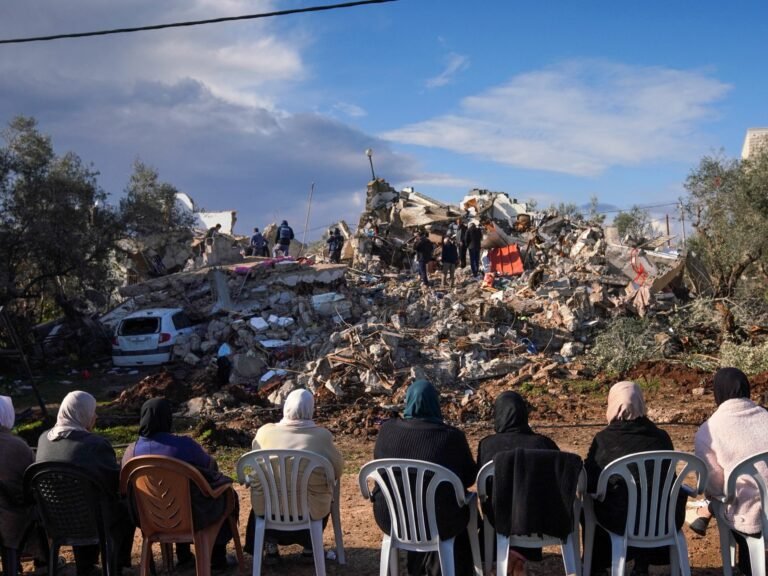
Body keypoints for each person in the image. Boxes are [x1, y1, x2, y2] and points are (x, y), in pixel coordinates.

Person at [372, 380, 478, 576]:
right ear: (435, 404)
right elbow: (469, 478)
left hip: (392, 519)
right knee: (464, 507)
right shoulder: (451, 437)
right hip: (441, 523)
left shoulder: (386, 431)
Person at [122, 398, 238, 571]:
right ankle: (216, 559)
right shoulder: (184, 446)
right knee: (227, 497)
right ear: (167, 418)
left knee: (175, 499)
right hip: (193, 516)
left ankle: (184, 558)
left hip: (149, 518)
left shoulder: (131, 452)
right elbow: (211, 466)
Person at [584, 381, 685, 576]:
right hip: (663, 521)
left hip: (619, 522)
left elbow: (591, 480)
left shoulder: (604, 439)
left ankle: (596, 565)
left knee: (590, 506)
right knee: (647, 502)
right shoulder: (661, 437)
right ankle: (642, 565)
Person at [36, 391, 135, 576]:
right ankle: (118, 566)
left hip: (55, 521)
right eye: (92, 411)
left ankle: (86, 566)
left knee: (77, 498)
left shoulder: (43, 440)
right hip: (93, 522)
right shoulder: (95, 444)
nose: (95, 416)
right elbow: (115, 485)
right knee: (124, 507)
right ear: (82, 413)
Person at [247, 389, 343, 564]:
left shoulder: (264, 433)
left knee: (266, 491)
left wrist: (249, 478)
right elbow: (337, 471)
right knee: (323, 494)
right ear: (311, 409)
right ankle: (309, 548)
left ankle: (270, 545)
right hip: (309, 512)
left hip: (268, 511)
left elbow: (250, 466)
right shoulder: (321, 437)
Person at [694, 368, 768, 576]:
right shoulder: (765, 415)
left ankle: (745, 566)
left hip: (748, 516)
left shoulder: (709, 431)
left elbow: (714, 486)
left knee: (723, 499)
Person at [476, 391, 559, 567]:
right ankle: (518, 556)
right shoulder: (544, 443)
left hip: (499, 520)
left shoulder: (487, 444)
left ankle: (506, 557)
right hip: (538, 522)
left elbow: (481, 483)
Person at [0, 396, 45, 568]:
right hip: (11, 518)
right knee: (38, 510)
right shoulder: (17, 446)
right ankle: (42, 560)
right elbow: (34, 481)